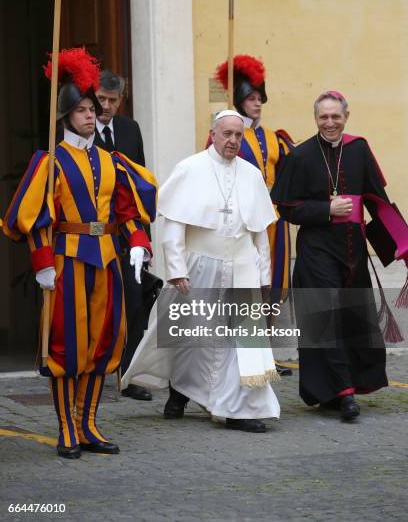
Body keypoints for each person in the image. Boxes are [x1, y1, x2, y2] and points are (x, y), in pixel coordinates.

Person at [2, 48, 157, 458]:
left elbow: (129, 210)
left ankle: (89, 424)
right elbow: (34, 217)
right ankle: (66, 428)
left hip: (106, 259)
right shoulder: (49, 161)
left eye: (93, 108)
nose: (91, 115)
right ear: (66, 115)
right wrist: (41, 264)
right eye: (83, 109)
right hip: (67, 262)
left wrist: (140, 244)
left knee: (102, 344)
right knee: (67, 345)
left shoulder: (112, 161)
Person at [122, 110, 280, 433]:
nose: (233, 141)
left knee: (241, 344)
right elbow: (174, 225)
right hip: (200, 266)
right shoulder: (190, 168)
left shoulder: (251, 175)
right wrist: (176, 268)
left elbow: (260, 232)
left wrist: (264, 275)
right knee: (191, 337)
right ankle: (180, 392)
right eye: (227, 134)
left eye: (238, 135)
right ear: (213, 133)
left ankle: (239, 409)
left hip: (242, 267)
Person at [271, 89, 392, 420]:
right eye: (323, 117)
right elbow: (286, 207)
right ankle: (345, 395)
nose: (329, 122)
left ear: (346, 117)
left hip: (353, 251)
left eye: (335, 116)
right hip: (316, 251)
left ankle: (337, 390)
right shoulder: (301, 155)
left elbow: (376, 198)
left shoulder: (359, 148)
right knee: (327, 318)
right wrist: (326, 209)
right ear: (316, 119)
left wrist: (400, 243)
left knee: (352, 317)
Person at [211, 55, 295, 376]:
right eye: (250, 98)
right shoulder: (228, 135)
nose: (257, 104)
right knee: (245, 286)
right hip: (243, 225)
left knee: (272, 285)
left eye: (260, 98)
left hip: (273, 221)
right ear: (239, 102)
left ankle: (266, 353)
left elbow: (288, 175)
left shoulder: (275, 138)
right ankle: (244, 353)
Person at [94, 70, 153, 402]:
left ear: (121, 101)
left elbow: (142, 181)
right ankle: (96, 369)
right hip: (94, 232)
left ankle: (128, 374)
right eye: (100, 99)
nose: (105, 106)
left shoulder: (130, 129)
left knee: (134, 300)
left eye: (112, 101)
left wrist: (144, 237)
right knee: (99, 302)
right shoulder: (78, 128)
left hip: (129, 231)